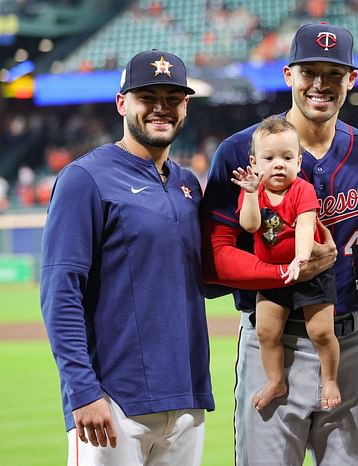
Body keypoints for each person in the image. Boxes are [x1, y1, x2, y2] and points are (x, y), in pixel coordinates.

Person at [201, 23, 358, 465]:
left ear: (352, 79)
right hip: (272, 339)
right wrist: (283, 272)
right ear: (289, 75)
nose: (320, 84)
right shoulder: (240, 152)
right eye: (309, 71)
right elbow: (212, 258)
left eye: (333, 72)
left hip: (351, 341)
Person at [40, 50, 214, 466]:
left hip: (186, 398)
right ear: (122, 103)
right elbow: (60, 293)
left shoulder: (188, 184)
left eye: (172, 98)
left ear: (185, 106)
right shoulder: (85, 179)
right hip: (113, 403)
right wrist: (82, 392)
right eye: (147, 96)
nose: (160, 108)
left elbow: (206, 278)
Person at [232, 116, 341, 411]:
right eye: (269, 158)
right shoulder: (252, 191)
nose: (278, 164)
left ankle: (329, 380)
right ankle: (275, 380)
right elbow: (250, 226)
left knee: (320, 332)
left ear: (299, 160)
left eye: (287, 157)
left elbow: (306, 226)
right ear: (254, 163)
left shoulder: (302, 190)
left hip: (309, 272)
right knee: (266, 332)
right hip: (273, 277)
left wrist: (301, 259)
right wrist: (252, 194)